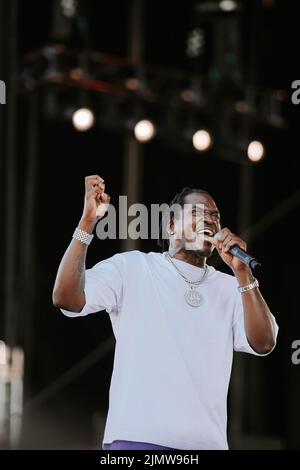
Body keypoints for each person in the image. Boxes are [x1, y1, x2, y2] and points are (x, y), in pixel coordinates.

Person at [52, 175, 278, 450]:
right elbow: (66, 297)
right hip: (137, 440)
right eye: (196, 213)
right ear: (172, 227)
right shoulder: (133, 267)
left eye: (215, 216)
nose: (209, 220)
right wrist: (87, 223)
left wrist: (243, 274)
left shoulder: (232, 287)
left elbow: (264, 342)